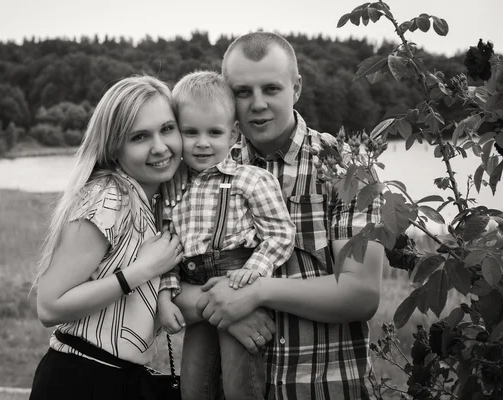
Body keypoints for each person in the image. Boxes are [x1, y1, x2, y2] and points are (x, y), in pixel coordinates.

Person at [169, 32, 385, 399]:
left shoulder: (344, 167)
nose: (257, 104)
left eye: (271, 89)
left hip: (322, 388)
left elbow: (360, 293)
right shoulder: (201, 169)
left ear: (296, 87)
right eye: (242, 92)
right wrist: (221, 308)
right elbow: (171, 278)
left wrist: (256, 293)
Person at [28, 75, 185, 400]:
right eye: (140, 136)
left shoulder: (154, 201)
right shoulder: (109, 197)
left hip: (120, 379)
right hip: (80, 380)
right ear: (114, 147)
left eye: (167, 129)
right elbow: (49, 306)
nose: (160, 146)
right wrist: (142, 270)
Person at [157, 71, 295, 400]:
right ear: (177, 132)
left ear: (233, 133)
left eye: (214, 132)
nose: (202, 142)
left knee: (240, 386)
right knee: (193, 386)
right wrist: (165, 295)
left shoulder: (251, 180)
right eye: (190, 132)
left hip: (238, 287)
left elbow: (280, 233)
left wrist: (255, 270)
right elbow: (167, 251)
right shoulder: (173, 190)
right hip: (194, 287)